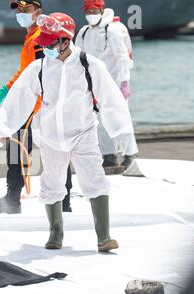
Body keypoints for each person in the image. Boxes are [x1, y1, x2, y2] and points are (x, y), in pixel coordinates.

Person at [0, 12, 136, 252]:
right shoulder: (39, 67)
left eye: (50, 43)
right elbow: (19, 97)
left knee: (94, 177)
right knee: (52, 182)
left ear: (64, 40)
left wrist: (119, 129)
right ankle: (55, 232)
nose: (46, 48)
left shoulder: (88, 64)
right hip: (50, 134)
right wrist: (5, 127)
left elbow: (109, 97)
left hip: (83, 131)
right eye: (44, 44)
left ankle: (104, 236)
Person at [0, 0, 72, 214]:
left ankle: (20, 201)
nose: (21, 14)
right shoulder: (31, 37)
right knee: (25, 149)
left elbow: (43, 72)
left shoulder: (41, 37)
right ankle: (16, 200)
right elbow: (26, 72)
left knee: (41, 151)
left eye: (26, 10)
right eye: (18, 10)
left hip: (39, 106)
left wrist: (16, 96)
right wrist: (4, 91)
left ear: (38, 12)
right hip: (33, 103)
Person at [75, 0, 138, 168]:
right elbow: (77, 58)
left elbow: (123, 58)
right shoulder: (83, 32)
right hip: (94, 85)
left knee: (121, 118)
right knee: (100, 121)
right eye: (87, 10)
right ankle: (108, 154)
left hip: (115, 83)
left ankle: (129, 153)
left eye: (94, 10)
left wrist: (124, 83)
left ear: (102, 9)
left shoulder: (114, 30)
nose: (90, 14)